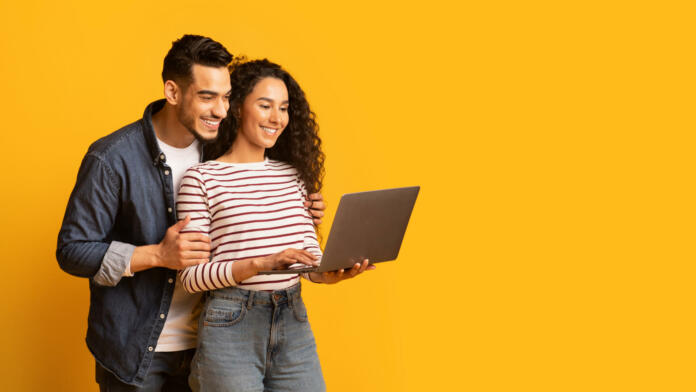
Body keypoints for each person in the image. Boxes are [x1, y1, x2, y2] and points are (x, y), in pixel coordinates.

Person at [56, 36, 326, 391]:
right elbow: (72, 250)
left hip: (212, 339)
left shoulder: (219, 148)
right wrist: (156, 255)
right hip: (138, 348)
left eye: (227, 97)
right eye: (206, 97)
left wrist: (302, 208)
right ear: (172, 92)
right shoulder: (113, 158)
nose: (220, 110)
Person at [176, 58, 374, 392]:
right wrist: (260, 264)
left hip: (292, 319)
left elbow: (308, 255)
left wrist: (323, 272)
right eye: (265, 105)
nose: (276, 118)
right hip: (231, 323)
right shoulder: (202, 178)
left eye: (283, 108)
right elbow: (191, 277)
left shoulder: (293, 176)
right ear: (238, 108)